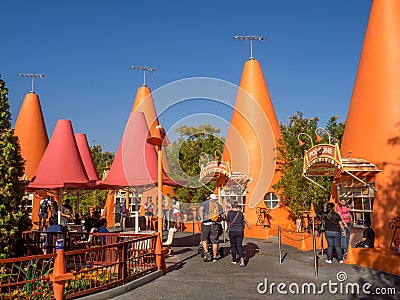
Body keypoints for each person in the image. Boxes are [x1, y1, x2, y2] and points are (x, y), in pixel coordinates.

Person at [199, 193, 224, 262]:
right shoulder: (218, 205)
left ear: (209, 198)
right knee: (214, 241)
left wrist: (202, 219)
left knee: (204, 239)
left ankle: (207, 252)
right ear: (215, 199)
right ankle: (215, 257)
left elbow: (201, 210)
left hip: (206, 223)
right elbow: (222, 215)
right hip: (215, 224)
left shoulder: (204, 203)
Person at [226, 201, 251, 267]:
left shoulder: (229, 212)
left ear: (232, 206)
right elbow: (243, 221)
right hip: (240, 230)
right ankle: (242, 259)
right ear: (237, 206)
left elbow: (227, 220)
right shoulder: (240, 213)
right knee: (239, 246)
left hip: (232, 230)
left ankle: (234, 260)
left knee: (233, 246)